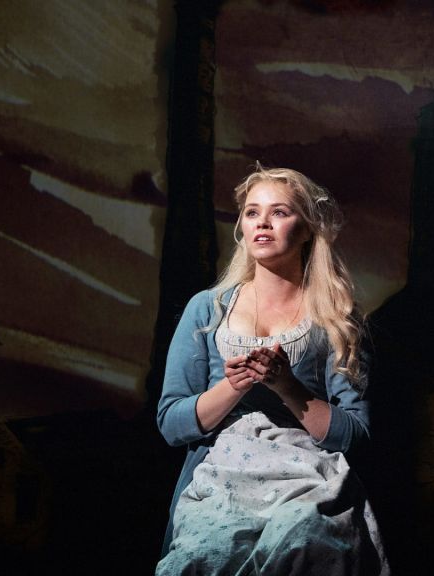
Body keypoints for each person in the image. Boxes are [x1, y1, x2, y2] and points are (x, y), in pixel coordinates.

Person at [155, 164, 388, 575]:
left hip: (304, 478)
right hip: (222, 478)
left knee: (305, 539)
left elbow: (357, 435)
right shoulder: (207, 309)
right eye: (252, 212)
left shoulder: (335, 317)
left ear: (307, 229)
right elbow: (172, 424)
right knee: (209, 553)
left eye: (279, 212)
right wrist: (234, 386)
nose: (262, 222)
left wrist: (287, 387)